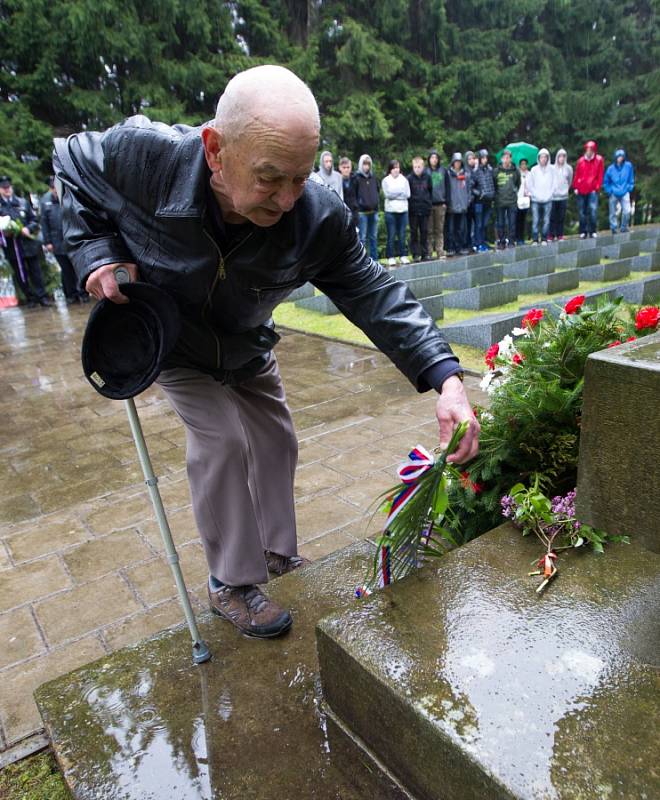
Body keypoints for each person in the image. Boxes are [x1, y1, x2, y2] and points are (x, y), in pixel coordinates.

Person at [54, 65, 479, 640]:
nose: (285, 199)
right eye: (269, 178)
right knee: (223, 439)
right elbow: (71, 161)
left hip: (247, 339)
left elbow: (376, 293)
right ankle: (230, 581)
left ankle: (277, 553)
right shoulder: (146, 157)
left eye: (300, 178)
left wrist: (447, 379)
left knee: (276, 436)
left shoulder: (317, 217)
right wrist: (96, 251)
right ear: (215, 151)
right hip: (173, 336)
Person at [0, 175, 51, 307]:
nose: (7, 190)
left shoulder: (22, 202)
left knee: (36, 271)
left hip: (28, 244)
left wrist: (28, 228)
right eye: (3, 188)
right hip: (12, 246)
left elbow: (34, 220)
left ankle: (42, 297)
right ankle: (30, 298)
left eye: (8, 187)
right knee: (20, 273)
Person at [40, 176, 88, 304]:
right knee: (66, 270)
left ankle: (82, 293)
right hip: (57, 242)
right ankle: (71, 294)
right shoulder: (45, 202)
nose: (55, 190)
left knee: (77, 267)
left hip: (72, 239)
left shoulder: (69, 197)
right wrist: (47, 242)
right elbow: (44, 223)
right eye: (53, 188)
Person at [572, 140, 604, 239]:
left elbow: (600, 175)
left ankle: (593, 230)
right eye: (587, 149)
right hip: (581, 189)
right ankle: (583, 231)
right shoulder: (581, 161)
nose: (589, 152)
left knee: (593, 210)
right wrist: (575, 186)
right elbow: (577, 174)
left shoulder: (599, 160)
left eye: (591, 150)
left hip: (592, 189)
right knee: (582, 211)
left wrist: (597, 187)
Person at [381, 159, 410, 267]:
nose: (396, 170)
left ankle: (403, 255)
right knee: (391, 235)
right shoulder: (386, 180)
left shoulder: (404, 180)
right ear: (390, 169)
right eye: (393, 168)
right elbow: (388, 195)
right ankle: (390, 256)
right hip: (390, 212)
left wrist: (395, 194)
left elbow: (407, 194)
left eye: (397, 167)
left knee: (402, 235)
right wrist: (399, 193)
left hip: (403, 211)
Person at [407, 156, 433, 262]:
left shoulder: (427, 177)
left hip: (425, 208)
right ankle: (415, 254)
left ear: (423, 167)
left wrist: (428, 204)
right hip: (413, 210)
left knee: (424, 232)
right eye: (415, 167)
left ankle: (425, 253)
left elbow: (430, 191)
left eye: (419, 167)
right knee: (414, 232)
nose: (417, 169)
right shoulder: (409, 178)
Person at [526, 148, 555, 245]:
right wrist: (534, 194)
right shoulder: (534, 170)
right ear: (539, 158)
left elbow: (554, 184)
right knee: (536, 220)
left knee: (546, 220)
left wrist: (550, 194)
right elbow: (530, 184)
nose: (543, 159)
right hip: (536, 199)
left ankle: (544, 238)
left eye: (545, 157)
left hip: (548, 199)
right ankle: (535, 239)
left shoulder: (552, 169)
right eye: (541, 157)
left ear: (548, 158)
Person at [492, 149, 520, 249]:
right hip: (500, 201)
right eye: (505, 158)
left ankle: (511, 241)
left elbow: (518, 183)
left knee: (512, 222)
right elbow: (494, 185)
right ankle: (502, 241)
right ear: (502, 159)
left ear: (511, 159)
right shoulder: (496, 171)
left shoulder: (515, 171)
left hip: (512, 201)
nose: (506, 160)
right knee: (500, 223)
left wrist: (513, 192)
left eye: (508, 158)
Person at [354, 154, 380, 260]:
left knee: (373, 237)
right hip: (362, 212)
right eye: (364, 164)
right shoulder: (356, 178)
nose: (366, 167)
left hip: (374, 211)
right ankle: (363, 262)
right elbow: (354, 194)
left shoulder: (373, 177)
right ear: (361, 165)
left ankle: (375, 260)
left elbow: (377, 191)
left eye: (368, 164)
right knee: (362, 238)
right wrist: (358, 205)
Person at [603, 149, 635, 234]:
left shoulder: (628, 166)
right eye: (618, 157)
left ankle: (624, 227)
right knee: (612, 212)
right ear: (615, 158)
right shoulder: (610, 168)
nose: (620, 159)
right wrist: (609, 191)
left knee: (627, 211)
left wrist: (630, 186)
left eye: (621, 157)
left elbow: (631, 177)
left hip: (625, 191)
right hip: (614, 192)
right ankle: (613, 228)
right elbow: (606, 181)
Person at [445, 153, 471, 256]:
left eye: (459, 162)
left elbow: (469, 189)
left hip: (463, 206)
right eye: (456, 162)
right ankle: (450, 247)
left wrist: (467, 201)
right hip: (451, 205)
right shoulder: (448, 174)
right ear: (452, 162)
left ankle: (460, 247)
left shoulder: (466, 174)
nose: (457, 164)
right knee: (450, 229)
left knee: (461, 229)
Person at [471, 149, 496, 252]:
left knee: (485, 224)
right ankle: (478, 243)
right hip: (479, 202)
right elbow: (471, 187)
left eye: (486, 157)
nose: (485, 160)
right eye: (483, 158)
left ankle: (483, 242)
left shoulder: (490, 170)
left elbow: (493, 183)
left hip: (488, 201)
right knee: (479, 224)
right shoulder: (475, 171)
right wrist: (479, 194)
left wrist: (493, 194)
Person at [427, 149, 447, 257]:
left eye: (436, 158)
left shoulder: (443, 171)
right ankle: (429, 251)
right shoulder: (426, 172)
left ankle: (440, 250)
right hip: (429, 204)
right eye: (432, 158)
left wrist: (446, 201)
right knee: (429, 230)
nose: (434, 160)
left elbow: (448, 187)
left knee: (439, 229)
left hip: (441, 203)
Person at [549, 149, 573, 241]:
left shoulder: (568, 168)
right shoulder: (552, 168)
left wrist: (565, 189)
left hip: (563, 196)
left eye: (563, 156)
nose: (561, 158)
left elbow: (570, 181)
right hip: (553, 196)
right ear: (557, 157)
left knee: (561, 216)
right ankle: (551, 234)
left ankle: (560, 234)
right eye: (560, 156)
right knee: (552, 216)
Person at [338, 157, 359, 230]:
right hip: (342, 212)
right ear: (340, 168)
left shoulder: (355, 179)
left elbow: (358, 194)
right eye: (344, 167)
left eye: (348, 167)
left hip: (354, 212)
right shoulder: (337, 180)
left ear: (351, 168)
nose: (346, 169)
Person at [463, 150, 478, 250]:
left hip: (476, 201)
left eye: (473, 158)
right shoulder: (465, 171)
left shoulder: (476, 170)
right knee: (467, 225)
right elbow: (468, 186)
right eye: (469, 159)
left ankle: (474, 243)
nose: (472, 160)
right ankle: (467, 243)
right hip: (467, 202)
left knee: (477, 224)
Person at [515, 158, 531, 244]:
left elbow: (531, 185)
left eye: (525, 164)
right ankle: (517, 238)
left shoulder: (530, 174)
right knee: (517, 219)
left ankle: (522, 238)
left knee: (523, 219)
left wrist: (529, 193)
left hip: (526, 199)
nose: (524, 165)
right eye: (522, 164)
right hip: (518, 199)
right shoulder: (517, 173)